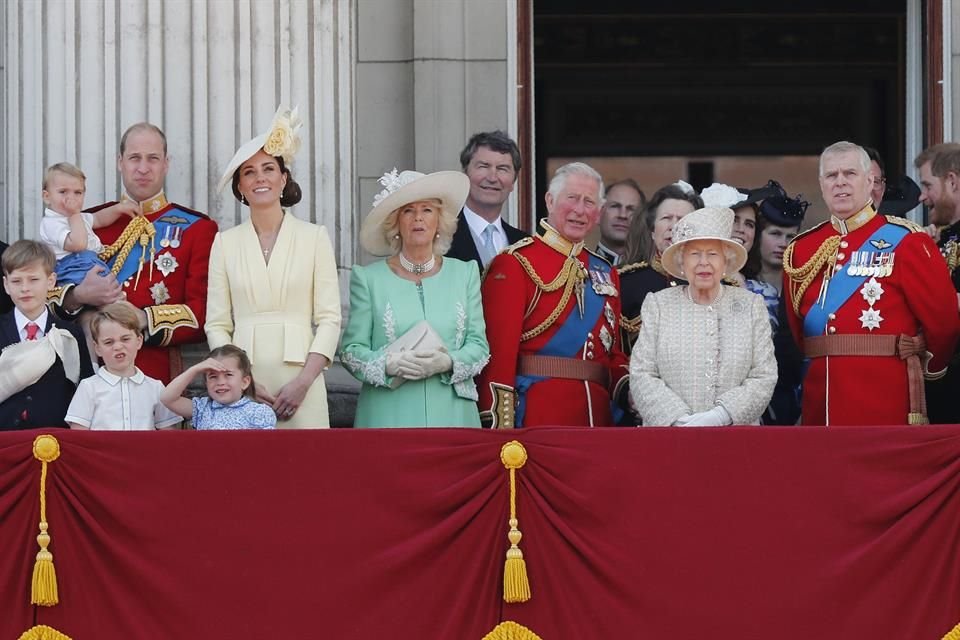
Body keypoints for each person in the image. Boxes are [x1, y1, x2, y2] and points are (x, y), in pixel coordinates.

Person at [783, 141, 960, 426]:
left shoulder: (908, 241)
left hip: (886, 400)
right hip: (820, 402)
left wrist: (926, 371)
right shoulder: (802, 249)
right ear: (821, 183)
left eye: (850, 174)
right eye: (831, 175)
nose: (840, 182)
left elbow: (944, 322)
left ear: (870, 182)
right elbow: (797, 331)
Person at [206, 106, 341, 429]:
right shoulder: (224, 243)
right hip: (244, 385)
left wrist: (304, 383)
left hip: (302, 381)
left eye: (268, 168)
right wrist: (239, 381)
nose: (260, 178)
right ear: (240, 187)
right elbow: (217, 323)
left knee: (306, 473)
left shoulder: (314, 237)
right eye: (249, 172)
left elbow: (329, 319)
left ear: (284, 179)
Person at [55, 122, 219, 384]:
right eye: (134, 158)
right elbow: (46, 295)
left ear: (166, 163)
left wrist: (141, 318)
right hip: (89, 375)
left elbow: (203, 314)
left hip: (154, 375)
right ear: (120, 162)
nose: (143, 168)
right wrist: (78, 296)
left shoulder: (198, 229)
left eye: (152, 158)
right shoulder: (85, 223)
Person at [478, 162, 629, 428]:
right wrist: (498, 423)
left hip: (599, 420)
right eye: (572, 198)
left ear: (598, 213)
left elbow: (612, 355)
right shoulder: (515, 263)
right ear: (550, 200)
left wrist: (630, 390)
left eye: (589, 202)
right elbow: (499, 355)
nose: (580, 210)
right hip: (539, 416)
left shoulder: (605, 272)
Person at [340, 169, 489, 427]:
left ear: (439, 221)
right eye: (408, 210)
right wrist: (388, 363)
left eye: (427, 210)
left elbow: (479, 347)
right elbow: (352, 352)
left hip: (453, 416)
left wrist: (448, 361)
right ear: (396, 223)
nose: (418, 218)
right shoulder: (368, 278)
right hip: (388, 417)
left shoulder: (465, 273)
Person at [630, 207, 776, 426]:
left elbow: (764, 375)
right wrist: (677, 419)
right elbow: (642, 373)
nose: (703, 262)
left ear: (726, 261)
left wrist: (722, 416)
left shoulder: (751, 305)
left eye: (713, 254)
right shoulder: (659, 304)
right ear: (681, 261)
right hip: (671, 438)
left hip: (736, 439)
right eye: (694, 254)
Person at [0, 241, 93, 430]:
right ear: (6, 285)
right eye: (17, 281)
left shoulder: (71, 334)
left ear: (51, 281)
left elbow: (84, 390)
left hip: (57, 441)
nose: (25, 288)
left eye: (33, 279)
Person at [66, 301, 181, 430]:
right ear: (97, 348)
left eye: (125, 339)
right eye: (109, 342)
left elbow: (168, 434)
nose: (118, 346)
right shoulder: (88, 387)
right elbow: (78, 435)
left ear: (139, 341)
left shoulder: (155, 388)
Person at [618, 183, 702, 353]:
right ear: (652, 232)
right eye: (666, 218)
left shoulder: (722, 285)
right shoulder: (625, 283)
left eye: (683, 220)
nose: (674, 226)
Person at [915, 143, 960, 424]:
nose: (922, 196)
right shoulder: (937, 240)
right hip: (941, 391)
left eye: (927, 185)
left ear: (952, 181)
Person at [39, 163, 139, 286]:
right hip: (70, 267)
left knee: (110, 288)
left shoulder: (79, 217)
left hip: (88, 262)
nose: (71, 197)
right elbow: (78, 245)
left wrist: (119, 209)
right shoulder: (51, 223)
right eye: (63, 191)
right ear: (47, 197)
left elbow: (99, 219)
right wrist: (74, 214)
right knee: (106, 290)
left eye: (78, 192)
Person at [446, 130, 528, 271]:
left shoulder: (525, 245)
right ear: (465, 174)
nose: (492, 178)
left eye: (502, 169)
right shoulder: (440, 236)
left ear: (513, 182)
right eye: (483, 166)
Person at [160, 344, 276, 430]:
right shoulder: (202, 408)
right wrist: (194, 370)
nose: (221, 382)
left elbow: (265, 449)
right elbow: (167, 398)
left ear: (244, 382)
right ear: (206, 383)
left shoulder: (259, 412)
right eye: (213, 376)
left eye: (228, 375)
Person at [596, 179, 645, 266]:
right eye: (615, 206)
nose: (623, 215)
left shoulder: (651, 275)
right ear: (598, 214)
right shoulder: (579, 268)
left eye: (631, 209)